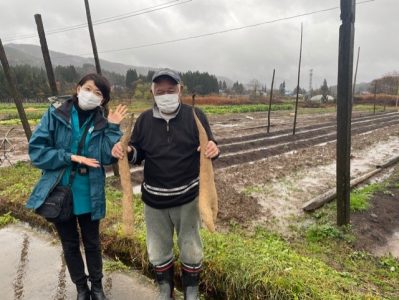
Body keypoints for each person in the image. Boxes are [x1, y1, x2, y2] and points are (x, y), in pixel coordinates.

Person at [112, 68, 220, 300]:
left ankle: (191, 290)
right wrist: (128, 150)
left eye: (171, 90)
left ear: (180, 90)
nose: (166, 95)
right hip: (154, 200)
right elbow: (137, 153)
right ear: (153, 93)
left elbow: (210, 145)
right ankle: (165, 289)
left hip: (188, 198)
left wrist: (213, 148)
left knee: (191, 247)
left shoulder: (195, 116)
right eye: (160, 91)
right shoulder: (144, 120)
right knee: (158, 249)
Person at [27, 73, 127, 300]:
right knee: (70, 243)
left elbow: (106, 155)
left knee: (92, 243)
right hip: (61, 191)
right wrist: (72, 157)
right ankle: (82, 288)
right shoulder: (56, 114)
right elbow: (37, 151)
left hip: (89, 191)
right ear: (78, 87)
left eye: (98, 93)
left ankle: (97, 288)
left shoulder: (102, 122)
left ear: (103, 100)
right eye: (88, 88)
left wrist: (112, 128)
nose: (91, 95)